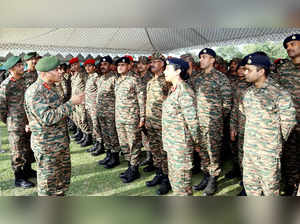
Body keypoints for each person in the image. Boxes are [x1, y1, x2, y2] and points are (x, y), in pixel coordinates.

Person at [24, 56, 84, 196]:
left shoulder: (52, 87)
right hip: (47, 146)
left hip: (59, 143)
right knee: (48, 186)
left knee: (61, 183)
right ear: (45, 73)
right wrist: (71, 103)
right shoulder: (35, 91)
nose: (61, 72)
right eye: (56, 69)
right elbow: (48, 117)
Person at [241, 54, 296, 196]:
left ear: (261, 71)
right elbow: (245, 115)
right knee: (251, 188)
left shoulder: (279, 93)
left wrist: (275, 142)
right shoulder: (248, 93)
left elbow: (288, 121)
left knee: (270, 190)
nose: (244, 72)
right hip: (250, 152)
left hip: (268, 153)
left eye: (248, 69)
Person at [192, 48, 232, 196]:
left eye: (204, 57)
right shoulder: (197, 78)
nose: (201, 59)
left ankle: (213, 179)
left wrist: (217, 119)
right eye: (200, 57)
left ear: (212, 60)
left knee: (212, 151)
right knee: (202, 151)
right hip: (198, 121)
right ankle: (206, 176)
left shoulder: (221, 78)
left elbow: (227, 103)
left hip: (213, 122)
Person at [162, 58, 200, 196]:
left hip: (181, 147)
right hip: (172, 144)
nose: (164, 71)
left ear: (178, 71)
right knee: (176, 183)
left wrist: (197, 143)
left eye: (168, 68)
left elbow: (193, 122)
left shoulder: (184, 91)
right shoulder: (174, 90)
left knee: (182, 186)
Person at [0, 56, 36, 188]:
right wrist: (10, 120)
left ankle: (27, 170)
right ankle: (19, 177)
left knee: (28, 148)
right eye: (19, 65)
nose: (22, 67)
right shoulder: (6, 85)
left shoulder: (25, 80)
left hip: (28, 121)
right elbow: (2, 108)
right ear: (11, 69)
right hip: (15, 123)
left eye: (22, 65)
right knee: (17, 150)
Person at [145, 52, 172, 195]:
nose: (152, 64)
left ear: (162, 63)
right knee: (155, 151)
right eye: (151, 62)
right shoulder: (150, 81)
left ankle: (168, 179)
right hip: (151, 123)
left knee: (165, 152)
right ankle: (159, 173)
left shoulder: (167, 80)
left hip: (162, 124)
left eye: (155, 61)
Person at [115, 56, 145, 183]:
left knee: (134, 144)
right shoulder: (119, 80)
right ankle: (129, 166)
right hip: (120, 117)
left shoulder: (134, 79)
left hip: (131, 118)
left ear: (129, 66)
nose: (120, 67)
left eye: (123, 65)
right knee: (124, 144)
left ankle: (134, 169)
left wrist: (142, 117)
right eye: (118, 65)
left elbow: (141, 99)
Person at [278, 34, 300, 195]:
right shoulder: (283, 70)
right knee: (290, 158)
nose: (289, 48)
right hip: (290, 125)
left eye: (293, 44)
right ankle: (292, 185)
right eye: (287, 46)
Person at [94, 56, 120, 168]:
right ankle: (109, 154)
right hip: (101, 112)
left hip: (110, 113)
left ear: (110, 65)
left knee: (112, 135)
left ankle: (115, 157)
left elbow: (118, 97)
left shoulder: (114, 78)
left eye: (105, 64)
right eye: (101, 64)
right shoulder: (101, 78)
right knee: (105, 135)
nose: (102, 66)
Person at [136, 56, 153, 168]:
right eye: (138, 63)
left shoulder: (150, 78)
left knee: (150, 137)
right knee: (144, 137)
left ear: (147, 65)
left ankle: (152, 159)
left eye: (142, 63)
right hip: (139, 111)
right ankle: (148, 157)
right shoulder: (137, 78)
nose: (139, 65)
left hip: (149, 112)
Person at [83, 58, 100, 149]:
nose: (87, 68)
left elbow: (99, 91)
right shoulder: (89, 77)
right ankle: (95, 143)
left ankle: (100, 144)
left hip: (94, 106)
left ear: (94, 67)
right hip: (88, 106)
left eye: (89, 66)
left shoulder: (96, 77)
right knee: (92, 126)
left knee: (96, 126)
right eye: (86, 66)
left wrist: (97, 105)